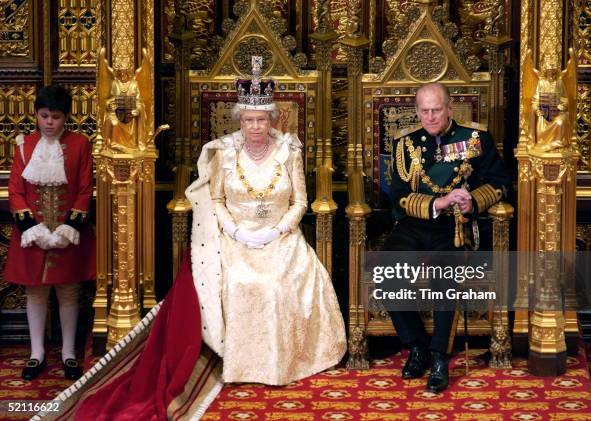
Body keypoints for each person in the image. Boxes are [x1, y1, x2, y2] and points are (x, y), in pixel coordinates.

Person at [64, 56, 346, 420]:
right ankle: (242, 365)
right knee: (241, 282)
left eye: (262, 119)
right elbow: (214, 199)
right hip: (235, 237)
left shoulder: (289, 151)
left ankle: (282, 364)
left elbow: (301, 200)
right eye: (249, 120)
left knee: (279, 283)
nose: (256, 126)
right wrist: (235, 229)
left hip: (280, 238)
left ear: (272, 118)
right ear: (239, 120)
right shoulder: (223, 153)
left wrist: (279, 230)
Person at [385, 82, 511, 393]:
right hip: (417, 222)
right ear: (417, 111)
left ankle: (440, 357)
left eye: (436, 110)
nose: (430, 116)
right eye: (424, 111)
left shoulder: (475, 139)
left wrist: (474, 201)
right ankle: (417, 347)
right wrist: (436, 203)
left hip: (455, 226)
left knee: (446, 277)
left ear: (449, 108)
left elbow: (501, 183)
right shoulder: (405, 145)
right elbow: (400, 196)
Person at [4, 84, 95, 381]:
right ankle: (37, 353)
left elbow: (85, 189)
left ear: (65, 117)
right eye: (44, 116)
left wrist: (69, 227)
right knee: (35, 292)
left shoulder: (81, 144)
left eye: (55, 116)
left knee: (69, 292)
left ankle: (69, 353)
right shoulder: (23, 145)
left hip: (69, 232)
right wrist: (33, 229)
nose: (49, 122)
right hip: (31, 235)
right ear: (36, 115)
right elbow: (15, 190)